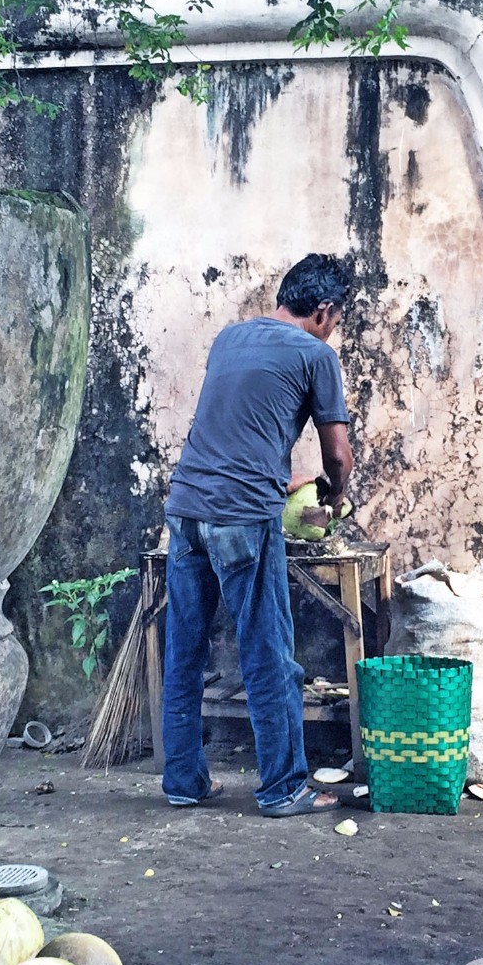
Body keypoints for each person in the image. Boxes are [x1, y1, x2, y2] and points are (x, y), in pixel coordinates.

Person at [160, 253, 359, 817]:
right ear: (324, 311)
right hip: (243, 518)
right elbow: (337, 454)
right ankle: (283, 787)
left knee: (185, 649)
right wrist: (334, 494)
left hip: (187, 510)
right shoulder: (316, 354)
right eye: (338, 317)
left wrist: (289, 478)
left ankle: (183, 782)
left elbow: (238, 435)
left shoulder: (230, 339)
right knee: (268, 652)